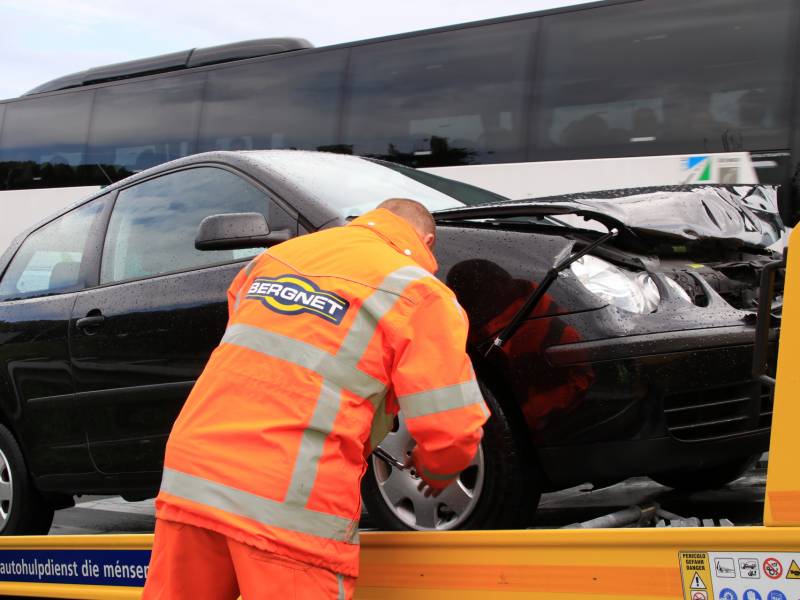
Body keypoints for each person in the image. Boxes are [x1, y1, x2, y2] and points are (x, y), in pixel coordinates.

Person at [142, 198, 489, 599]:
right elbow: (452, 428)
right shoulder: (419, 292)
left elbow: (264, 351)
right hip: (286, 498)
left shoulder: (273, 260)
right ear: (426, 240)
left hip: (194, 475)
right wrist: (438, 469)